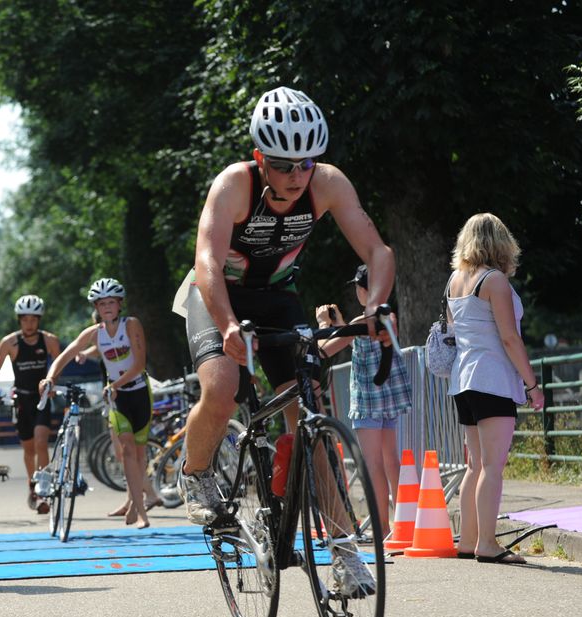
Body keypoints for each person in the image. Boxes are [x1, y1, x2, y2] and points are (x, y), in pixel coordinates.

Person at [178, 85, 395, 525]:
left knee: (309, 416)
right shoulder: (234, 184)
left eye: (306, 163)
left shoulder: (328, 183)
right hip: (218, 292)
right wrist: (227, 326)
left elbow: (378, 252)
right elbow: (207, 262)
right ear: (260, 159)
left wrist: (375, 307)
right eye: (282, 165)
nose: (296, 175)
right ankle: (195, 473)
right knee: (222, 390)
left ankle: (342, 545)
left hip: (278, 297)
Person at [446, 213, 544, 565]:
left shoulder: (455, 280)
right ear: (501, 242)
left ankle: (469, 540)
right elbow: (508, 337)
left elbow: (456, 332)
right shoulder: (495, 281)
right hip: (492, 380)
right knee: (493, 466)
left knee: (475, 465)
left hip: (463, 381)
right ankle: (487, 543)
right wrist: (532, 384)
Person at [41, 278, 154, 528]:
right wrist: (50, 378)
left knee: (138, 452)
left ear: (120, 304)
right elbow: (66, 354)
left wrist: (114, 384)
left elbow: (138, 365)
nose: (107, 308)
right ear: (96, 307)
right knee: (125, 451)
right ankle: (142, 513)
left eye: (111, 303)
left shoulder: (131, 325)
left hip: (138, 392)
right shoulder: (94, 333)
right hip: (116, 398)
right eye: (102, 304)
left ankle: (136, 503)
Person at [315, 264, 413, 539]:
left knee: (372, 464)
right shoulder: (388, 317)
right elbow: (351, 337)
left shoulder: (362, 322)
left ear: (363, 289)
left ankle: (383, 527)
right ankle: (405, 524)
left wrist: (324, 325)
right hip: (390, 398)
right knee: (390, 460)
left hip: (368, 400)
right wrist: (340, 325)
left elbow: (324, 350)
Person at [0, 294, 61, 513]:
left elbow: (57, 366)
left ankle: (44, 488)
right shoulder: (9, 342)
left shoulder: (49, 340)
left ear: (39, 320)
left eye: (33, 319)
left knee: (41, 442)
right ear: (19, 320)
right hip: (21, 400)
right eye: (25, 319)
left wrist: (52, 383)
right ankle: (32, 485)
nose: (29, 324)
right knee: (29, 448)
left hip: (41, 398)